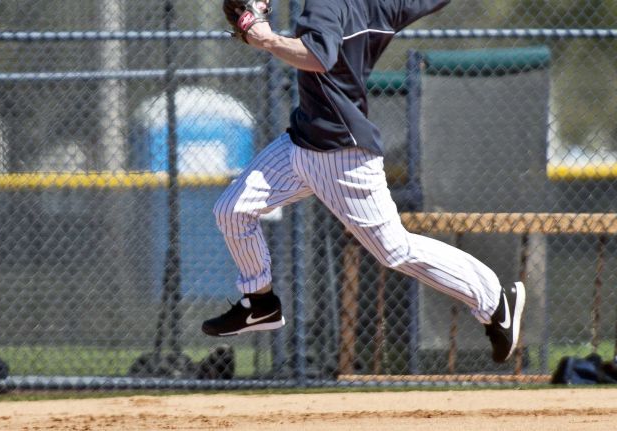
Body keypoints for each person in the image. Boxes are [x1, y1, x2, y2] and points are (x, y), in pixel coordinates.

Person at [203, 0, 526, 363]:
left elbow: (317, 56)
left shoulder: (326, 5)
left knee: (395, 251)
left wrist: (265, 38)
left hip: (341, 154)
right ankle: (259, 303)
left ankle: (494, 300)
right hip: (303, 142)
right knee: (233, 210)